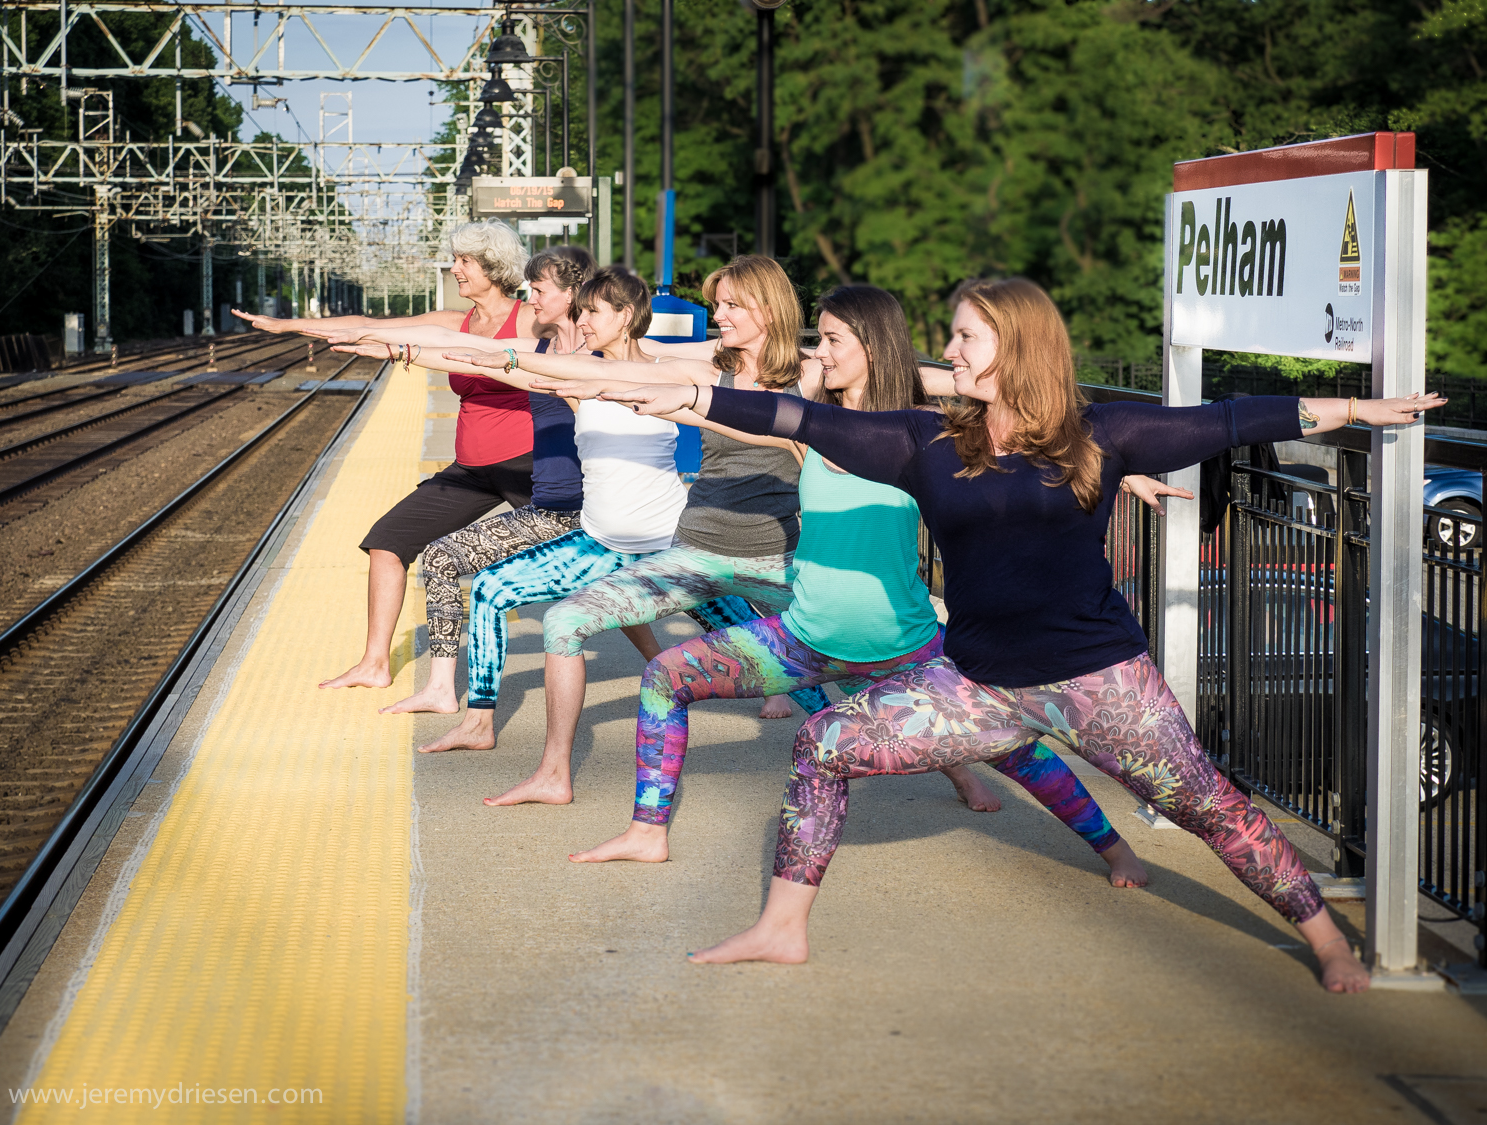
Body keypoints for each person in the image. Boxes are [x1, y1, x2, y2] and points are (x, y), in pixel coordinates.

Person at [603, 276, 1447, 991]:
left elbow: (1232, 419)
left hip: (1103, 687)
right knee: (824, 744)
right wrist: (693, 395)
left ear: (1016, 347)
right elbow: (797, 420)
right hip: (978, 687)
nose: (953, 351)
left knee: (1214, 810)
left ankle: (1326, 936)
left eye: (966, 336)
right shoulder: (922, 443)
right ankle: (783, 926)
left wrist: (1357, 408)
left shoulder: (1100, 437)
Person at [566, 284, 1164, 888]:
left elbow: (1034, 428)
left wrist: (1123, 466)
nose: (817, 354)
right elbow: (720, 406)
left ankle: (1116, 850)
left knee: (1016, 750)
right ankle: (647, 832)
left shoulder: (928, 438)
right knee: (666, 676)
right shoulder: (810, 425)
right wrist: (599, 381)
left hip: (902, 644)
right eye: (818, 338)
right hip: (804, 636)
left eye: (831, 341)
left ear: (871, 348)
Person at [379, 266, 830, 762]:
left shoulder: (664, 368)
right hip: (602, 542)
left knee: (767, 642)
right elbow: (519, 368)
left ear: (628, 314)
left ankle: (829, 718)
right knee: (492, 591)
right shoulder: (581, 374)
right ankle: (479, 722)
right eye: (584, 311)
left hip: (670, 542)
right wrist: (416, 352)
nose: (585, 320)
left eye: (595, 311)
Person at [240, 219, 540, 690]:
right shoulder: (451, 322)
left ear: (493, 266)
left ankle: (658, 651)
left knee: (591, 565)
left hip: (530, 467)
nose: (456, 269)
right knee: (387, 540)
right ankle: (374, 663)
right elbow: (370, 327)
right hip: (472, 470)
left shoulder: (528, 319)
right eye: (456, 260)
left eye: (465, 261)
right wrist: (290, 325)